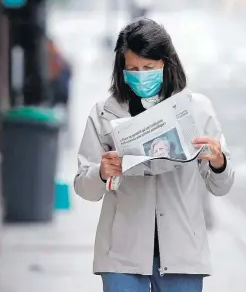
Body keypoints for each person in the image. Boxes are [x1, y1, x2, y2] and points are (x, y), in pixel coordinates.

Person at [73, 17, 234, 292]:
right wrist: (101, 173)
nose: (140, 74)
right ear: (121, 69)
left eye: (148, 67)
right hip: (122, 253)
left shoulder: (197, 110)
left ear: (166, 64)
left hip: (182, 251)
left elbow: (222, 186)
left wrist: (219, 162)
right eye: (132, 68)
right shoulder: (104, 114)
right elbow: (83, 187)